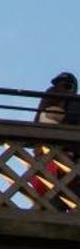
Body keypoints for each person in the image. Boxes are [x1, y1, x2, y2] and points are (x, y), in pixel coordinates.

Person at [30, 70, 79, 208]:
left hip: (49, 165)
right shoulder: (66, 99)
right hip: (57, 163)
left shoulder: (52, 96)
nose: (60, 88)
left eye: (64, 85)